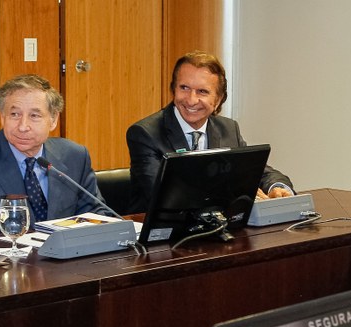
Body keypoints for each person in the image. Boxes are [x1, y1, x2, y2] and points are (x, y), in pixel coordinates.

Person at [126, 51, 294, 213]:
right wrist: (238, 194)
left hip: (216, 230)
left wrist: (277, 187)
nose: (191, 100)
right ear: (173, 89)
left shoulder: (228, 129)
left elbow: (258, 172)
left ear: (219, 99)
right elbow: (165, 196)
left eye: (202, 91)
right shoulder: (145, 134)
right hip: (161, 235)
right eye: (184, 88)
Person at [0, 74, 110, 239]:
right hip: (4, 261)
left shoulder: (74, 156)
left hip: (67, 260)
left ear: (53, 120)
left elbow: (96, 215)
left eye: (34, 116)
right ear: (2, 118)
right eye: (14, 114)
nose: (23, 127)